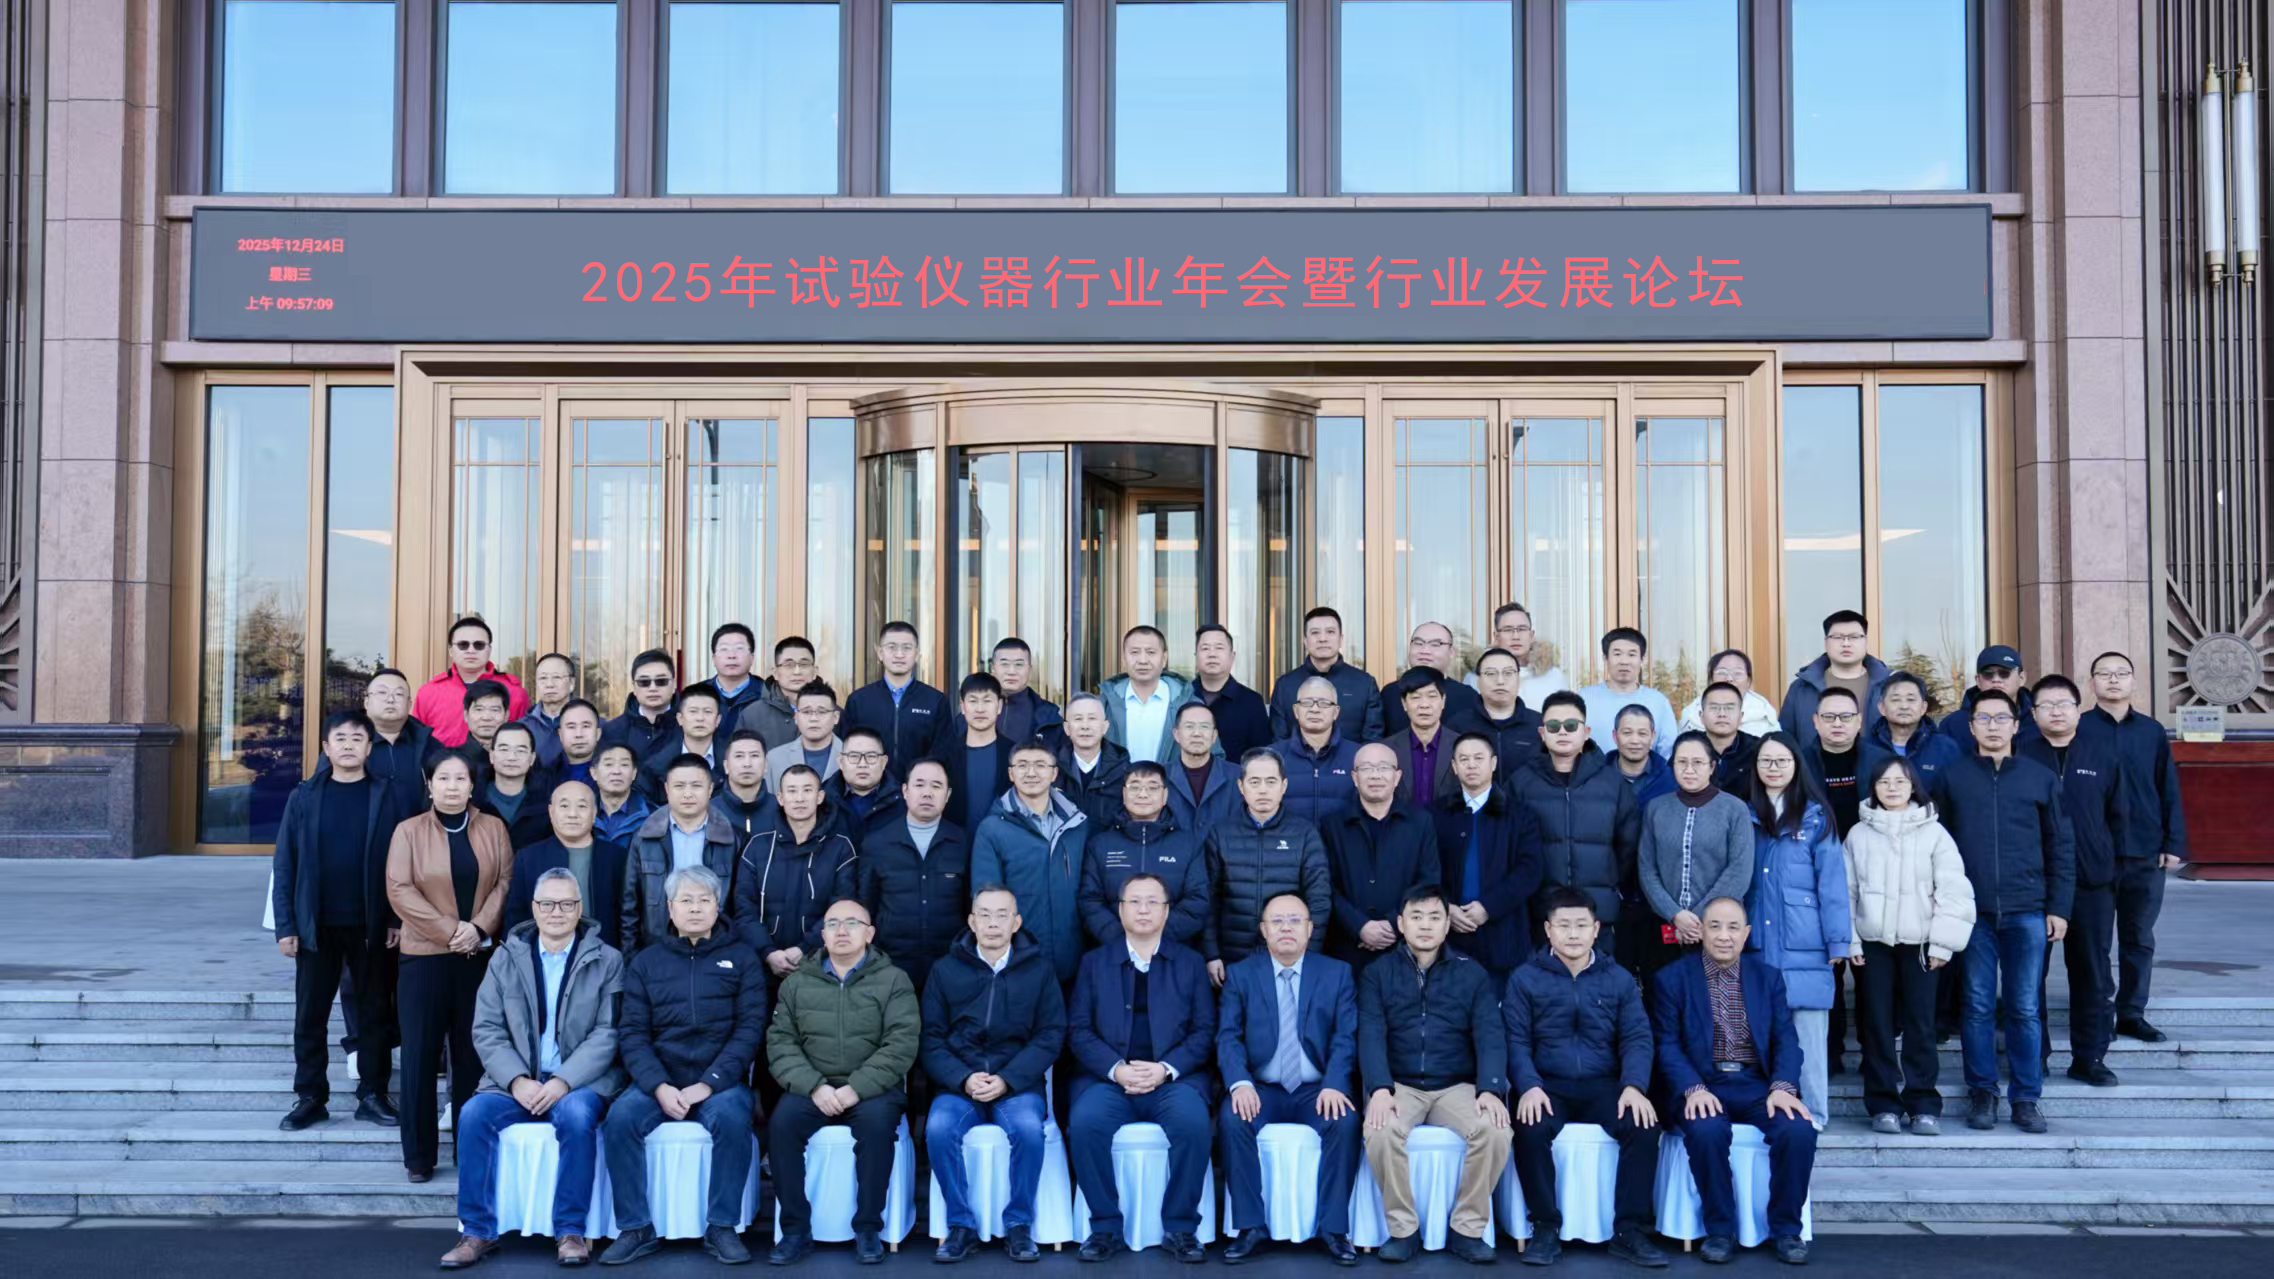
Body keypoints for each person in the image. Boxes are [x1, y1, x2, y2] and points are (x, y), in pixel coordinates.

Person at [443, 868, 625, 1269]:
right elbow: (487, 1028)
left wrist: (563, 1081)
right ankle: (477, 1231)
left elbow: (608, 1032)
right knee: (472, 1115)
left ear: (579, 908)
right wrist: (516, 1080)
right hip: (516, 1081)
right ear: (534, 908)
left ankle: (570, 1230)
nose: (556, 912)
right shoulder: (505, 958)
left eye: (566, 904)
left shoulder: (607, 960)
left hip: (578, 1082)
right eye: (547, 903)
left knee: (576, 1116)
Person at [599, 866, 766, 1267]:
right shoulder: (646, 962)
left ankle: (722, 1226)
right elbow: (632, 1034)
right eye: (686, 900)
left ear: (717, 906)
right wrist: (658, 1086)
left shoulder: (743, 958)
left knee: (733, 1120)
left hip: (719, 1082)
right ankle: (635, 1228)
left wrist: (708, 1084)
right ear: (670, 908)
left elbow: (750, 1030)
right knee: (619, 1120)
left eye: (704, 900)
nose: (695, 908)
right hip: (659, 1080)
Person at [1650, 898, 1817, 1267]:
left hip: (1757, 1084)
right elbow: (1666, 1044)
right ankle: (1719, 1230)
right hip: (1703, 1083)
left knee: (1798, 1130)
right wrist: (1693, 1088)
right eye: (1715, 926)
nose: (1724, 936)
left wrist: (1782, 1086)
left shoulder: (1767, 978)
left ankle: (1786, 1230)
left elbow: (1786, 1040)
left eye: (1732, 928)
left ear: (1746, 934)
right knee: (1706, 1130)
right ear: (1701, 931)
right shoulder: (1672, 979)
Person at [1503, 888, 1664, 1269]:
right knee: (1530, 1126)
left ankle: (1629, 1230)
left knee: (1643, 1125)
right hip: (1547, 1084)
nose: (1572, 934)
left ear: (1596, 929)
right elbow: (1514, 1039)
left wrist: (1634, 1086)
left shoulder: (1619, 979)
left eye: (1581, 925)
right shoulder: (1525, 978)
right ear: (1548, 930)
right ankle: (1545, 1226)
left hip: (1604, 1084)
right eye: (1563, 925)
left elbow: (1637, 1037)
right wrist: (1528, 1086)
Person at [1938, 688, 2074, 1133]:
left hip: (2028, 910)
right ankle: (1982, 1092)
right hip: (1972, 913)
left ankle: (2026, 1097)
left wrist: (2059, 907)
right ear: (1971, 726)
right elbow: (1936, 848)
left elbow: (2060, 845)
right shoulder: (1953, 778)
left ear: (2017, 726)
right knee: (1977, 1005)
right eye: (1984, 718)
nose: (1993, 726)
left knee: (2024, 1007)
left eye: (2002, 718)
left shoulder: (2039, 778)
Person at [1066, 873, 1218, 1263]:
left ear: (1167, 912)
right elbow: (1079, 1030)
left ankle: (1181, 1227)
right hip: (1110, 1081)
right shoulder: (1094, 963)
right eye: (1134, 902)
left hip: (1172, 1081)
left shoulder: (1190, 963)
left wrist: (1166, 1069)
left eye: (1153, 902)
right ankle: (1104, 1227)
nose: (1144, 910)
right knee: (1084, 1123)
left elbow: (1204, 1031)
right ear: (1120, 911)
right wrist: (1116, 1069)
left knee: (1194, 1124)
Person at [1357, 886, 1510, 1264]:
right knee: (1380, 1130)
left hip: (1456, 1086)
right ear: (1401, 923)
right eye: (1416, 917)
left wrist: (1490, 1089)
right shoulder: (1377, 973)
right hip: (1400, 1085)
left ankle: (1467, 1229)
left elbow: (1490, 1035)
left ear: (1446, 926)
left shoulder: (1472, 973)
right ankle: (1403, 1230)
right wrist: (1379, 1089)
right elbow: (1371, 1034)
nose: (1425, 926)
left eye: (1435, 917)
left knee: (1494, 1129)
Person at [766, 897, 922, 1267]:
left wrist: (856, 1088)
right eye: (833, 924)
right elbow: (781, 1043)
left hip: (872, 1088)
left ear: (869, 934)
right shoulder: (797, 983)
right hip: (814, 1086)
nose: (841, 931)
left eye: (852, 923)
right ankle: (795, 1231)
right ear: (821, 935)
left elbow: (901, 1044)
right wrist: (815, 1086)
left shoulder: (893, 980)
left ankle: (867, 1227)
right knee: (782, 1125)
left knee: (876, 1127)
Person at [273, 710, 406, 1132]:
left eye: (357, 738)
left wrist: (396, 918)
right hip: (316, 926)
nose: (348, 745)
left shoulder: (388, 795)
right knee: (310, 1015)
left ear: (369, 748)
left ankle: (373, 1093)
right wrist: (286, 925)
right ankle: (310, 1096)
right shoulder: (304, 797)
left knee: (374, 1013)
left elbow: (402, 863)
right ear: (326, 748)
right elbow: (285, 863)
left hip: (372, 925)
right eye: (340, 738)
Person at [385, 748, 513, 1182]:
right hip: (423, 959)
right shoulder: (408, 831)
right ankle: (419, 1157)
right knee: (419, 1057)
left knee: (471, 1057)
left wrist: (477, 929)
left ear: (473, 785)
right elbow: (399, 889)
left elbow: (504, 883)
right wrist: (449, 930)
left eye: (461, 778)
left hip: (478, 959)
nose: (452, 786)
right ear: (429, 784)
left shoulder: (493, 828)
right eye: (443, 778)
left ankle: (469, 1148)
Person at [924, 886, 1069, 1265]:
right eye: (984, 915)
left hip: (1017, 1085)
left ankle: (1019, 1224)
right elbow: (931, 1038)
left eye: (1002, 915)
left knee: (1028, 1130)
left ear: (1016, 922)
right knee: (938, 1128)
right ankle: (960, 1225)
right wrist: (963, 1078)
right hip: (960, 1085)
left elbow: (1051, 1034)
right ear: (971, 921)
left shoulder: (1039, 970)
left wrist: (1008, 1078)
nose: (992, 923)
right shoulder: (945, 970)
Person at [1216, 894, 1362, 1267]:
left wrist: (1334, 1083)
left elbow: (1345, 1037)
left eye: (1295, 921)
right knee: (1233, 1118)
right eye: (1277, 921)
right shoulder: (1242, 974)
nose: (1286, 928)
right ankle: (1250, 1226)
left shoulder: (1337, 973)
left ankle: (1333, 1228)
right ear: (1263, 930)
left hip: (1316, 1089)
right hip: (1262, 1088)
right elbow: (1228, 1036)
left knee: (1344, 1122)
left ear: (1310, 929)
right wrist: (1240, 1083)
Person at [1844, 756, 1974, 1136]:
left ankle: (1923, 1105)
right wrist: (1851, 939)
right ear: (1874, 788)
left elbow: (1953, 890)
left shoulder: (1934, 833)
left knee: (1921, 1025)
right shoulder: (1858, 834)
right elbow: (1846, 892)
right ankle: (1883, 1104)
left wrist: (1942, 944)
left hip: (1920, 944)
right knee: (1877, 1025)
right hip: (1873, 944)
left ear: (1913, 786)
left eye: (1900, 781)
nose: (1892, 788)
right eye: (1884, 782)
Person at [2021, 675, 2129, 1086]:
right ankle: (2035, 1054)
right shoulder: (2020, 754)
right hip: (2035, 883)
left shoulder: (2103, 753)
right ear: (2033, 714)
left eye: (2064, 704)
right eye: (2046, 705)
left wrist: (2110, 869)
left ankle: (2090, 1057)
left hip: (2091, 884)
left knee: (2092, 973)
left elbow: (2120, 817)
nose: (2056, 712)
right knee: (2030, 974)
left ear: (2078, 711)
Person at [2080, 650, 2189, 1043]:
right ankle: (2099, 1012)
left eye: (2121, 673)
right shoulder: (2079, 729)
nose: (2113, 679)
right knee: (2094, 941)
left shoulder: (2151, 731)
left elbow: (2168, 788)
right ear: (2091, 682)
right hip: (2094, 852)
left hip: (2145, 850)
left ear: (2133, 681)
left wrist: (2173, 841)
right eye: (2104, 673)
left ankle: (2131, 1012)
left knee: (2139, 937)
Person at [1744, 733, 1850, 1125]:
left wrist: (1838, 941)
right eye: (1766, 761)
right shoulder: (1744, 814)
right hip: (1756, 943)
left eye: (1782, 761)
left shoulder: (1816, 817)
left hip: (1805, 943)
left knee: (1808, 1036)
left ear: (1796, 766)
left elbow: (1833, 885)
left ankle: (1815, 1114)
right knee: (1759, 1036)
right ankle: (1768, 1112)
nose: (1773, 768)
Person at [1508, 691, 1642, 953]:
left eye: (1571, 725)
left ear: (1586, 732)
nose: (1562, 732)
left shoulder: (1612, 783)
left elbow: (1627, 847)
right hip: (1541, 916)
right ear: (1542, 733)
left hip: (1598, 917)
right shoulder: (1520, 783)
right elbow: (1511, 849)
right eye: (1553, 726)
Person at [971, 740, 1094, 985]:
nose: (1031, 772)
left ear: (1054, 773)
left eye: (1040, 765)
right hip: (1018, 961)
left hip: (1071, 958)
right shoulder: (992, 829)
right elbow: (985, 897)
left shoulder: (1076, 824)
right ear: (1011, 773)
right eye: (1022, 765)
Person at [1203, 749, 1333, 979]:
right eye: (1254, 782)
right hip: (1232, 958)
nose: (1263, 789)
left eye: (1271, 781)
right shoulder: (1221, 833)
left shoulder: (1304, 834)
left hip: (1289, 957)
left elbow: (1319, 900)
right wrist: (1211, 953)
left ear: (1283, 786)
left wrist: (1308, 953)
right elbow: (1208, 899)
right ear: (1241, 787)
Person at [1638, 732, 1755, 980]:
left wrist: (1700, 918)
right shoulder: (1656, 808)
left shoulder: (1735, 809)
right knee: (1664, 995)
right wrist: (1675, 914)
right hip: (1664, 928)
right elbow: (1647, 868)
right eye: (1681, 762)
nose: (1689, 770)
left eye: (1698, 762)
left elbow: (1739, 871)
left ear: (1712, 767)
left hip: (1718, 932)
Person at [1433, 732, 1543, 987]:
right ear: (1454, 766)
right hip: (1449, 934)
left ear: (1493, 763)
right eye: (1464, 759)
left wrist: (1489, 907)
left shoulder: (1520, 815)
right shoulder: (1435, 814)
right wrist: (1446, 907)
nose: (1471, 765)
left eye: (1478, 758)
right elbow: (1425, 868)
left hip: (1504, 934)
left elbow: (1530, 870)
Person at [732, 764, 859, 981]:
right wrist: (768, 953)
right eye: (792, 791)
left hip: (821, 966)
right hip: (762, 967)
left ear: (820, 797)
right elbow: (744, 909)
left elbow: (842, 908)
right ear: (780, 798)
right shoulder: (758, 847)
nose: (799, 798)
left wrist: (805, 949)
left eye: (807, 790)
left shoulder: (841, 848)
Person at [857, 757, 969, 994]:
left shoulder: (962, 842)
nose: (927, 793)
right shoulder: (877, 843)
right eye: (919, 785)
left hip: (951, 967)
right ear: (905, 791)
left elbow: (970, 906)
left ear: (947, 795)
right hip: (891, 968)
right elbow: (865, 906)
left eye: (936, 786)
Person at [1321, 743, 1436, 971]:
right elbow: (1325, 885)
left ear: (1397, 776)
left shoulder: (1420, 823)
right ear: (1355, 778)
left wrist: (1394, 923)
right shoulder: (1332, 825)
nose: (1375, 775)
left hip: (1403, 947)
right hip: (1345, 949)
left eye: (1384, 767)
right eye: (1366, 768)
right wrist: (1359, 926)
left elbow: (1428, 881)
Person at [620, 754, 740, 957]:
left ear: (710, 789)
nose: (688, 794)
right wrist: (631, 959)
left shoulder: (732, 838)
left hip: (716, 949)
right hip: (657, 948)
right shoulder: (644, 838)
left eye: (696, 786)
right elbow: (629, 907)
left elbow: (740, 905)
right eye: (679, 786)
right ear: (667, 790)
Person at [1080, 762, 1208, 947]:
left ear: (1165, 795)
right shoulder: (1100, 844)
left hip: (1172, 950)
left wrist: (1155, 940)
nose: (1143, 794)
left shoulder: (1189, 844)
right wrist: (1122, 941)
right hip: (1113, 950)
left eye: (1152, 787)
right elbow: (1090, 900)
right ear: (1124, 794)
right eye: (1135, 787)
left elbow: (1197, 900)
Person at [504, 779, 632, 951]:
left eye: (582, 806)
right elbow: (516, 919)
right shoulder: (528, 858)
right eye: (564, 806)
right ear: (551, 812)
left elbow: (629, 917)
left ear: (594, 813)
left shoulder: (617, 857)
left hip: (605, 956)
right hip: (545, 957)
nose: (573, 814)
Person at [845, 620, 949, 778]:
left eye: (907, 648)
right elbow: (848, 750)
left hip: (919, 789)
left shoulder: (935, 701)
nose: (899, 655)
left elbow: (942, 753)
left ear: (917, 654)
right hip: (870, 789)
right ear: (880, 653)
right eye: (892, 647)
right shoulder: (858, 701)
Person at [1269, 606, 1385, 744]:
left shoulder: (1365, 684)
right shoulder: (1285, 685)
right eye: (1315, 633)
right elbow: (1279, 743)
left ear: (1341, 639)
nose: (1323, 638)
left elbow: (1372, 743)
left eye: (1330, 632)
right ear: (1305, 641)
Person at [1780, 611, 1892, 751]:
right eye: (1838, 637)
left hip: (1878, 764)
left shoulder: (1888, 686)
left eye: (1854, 637)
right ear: (1826, 642)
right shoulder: (1802, 688)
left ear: (1866, 641)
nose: (1846, 643)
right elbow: (1785, 740)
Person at [414, 615, 531, 747]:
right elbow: (416, 742)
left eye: (479, 645)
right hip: (443, 760)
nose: (471, 651)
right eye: (463, 645)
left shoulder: (514, 692)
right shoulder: (428, 693)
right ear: (451, 651)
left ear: (489, 650)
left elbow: (524, 742)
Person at [1102, 624, 1198, 766]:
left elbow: (1211, 756)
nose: (1143, 660)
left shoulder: (1189, 704)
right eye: (1135, 652)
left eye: (1151, 652)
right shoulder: (1104, 704)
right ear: (1124, 658)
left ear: (1164, 658)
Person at [1273, 674, 1362, 827]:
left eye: (1324, 703)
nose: (1315, 709)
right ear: (1296, 711)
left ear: (1336, 712)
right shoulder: (1273, 757)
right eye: (1307, 703)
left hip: (1340, 842)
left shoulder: (1357, 756)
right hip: (1289, 841)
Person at [932, 673, 1014, 835]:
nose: (980, 709)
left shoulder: (1014, 754)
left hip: (1003, 844)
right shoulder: (943, 755)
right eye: (973, 701)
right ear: (963, 707)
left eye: (987, 701)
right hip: (954, 844)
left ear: (999, 706)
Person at [1801, 686, 1886, 841]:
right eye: (1828, 717)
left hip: (1870, 845)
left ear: (1859, 721)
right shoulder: (1799, 763)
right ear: (1816, 721)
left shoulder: (1882, 761)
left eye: (1846, 717)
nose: (1837, 723)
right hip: (1816, 845)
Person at [1577, 628, 1676, 759]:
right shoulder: (1583, 699)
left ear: (1642, 659)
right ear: (1605, 658)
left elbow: (1668, 754)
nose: (1624, 661)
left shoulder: (1658, 702)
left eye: (1631, 654)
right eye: (1617, 654)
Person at [1383, 622, 1490, 739]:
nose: (1425, 650)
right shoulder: (1389, 693)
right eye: (1418, 643)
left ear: (1451, 652)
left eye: (1435, 644)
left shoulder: (1468, 697)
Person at [351, 668, 435, 805]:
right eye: (382, 692)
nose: (390, 699)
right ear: (366, 702)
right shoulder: (347, 744)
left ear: (409, 704)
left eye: (399, 694)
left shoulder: (428, 745)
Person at [1192, 624, 1274, 760]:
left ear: (1232, 656)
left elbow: (1261, 756)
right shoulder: (1182, 697)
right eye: (1205, 648)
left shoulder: (1252, 702)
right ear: (1196, 656)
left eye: (1219, 648)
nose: (1212, 654)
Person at [1464, 602, 1569, 707]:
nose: (1515, 636)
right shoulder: (1476, 678)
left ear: (1531, 635)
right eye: (1508, 630)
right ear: (1496, 637)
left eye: (1522, 629)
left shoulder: (1554, 677)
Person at [1939, 645, 2041, 754]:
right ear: (1978, 680)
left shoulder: (2040, 721)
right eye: (1988, 674)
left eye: (2004, 673)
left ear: (2021, 678)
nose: (1996, 680)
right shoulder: (1954, 725)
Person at [1869, 672, 1962, 788]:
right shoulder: (1866, 748)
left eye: (1911, 699)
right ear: (1881, 707)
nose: (1904, 706)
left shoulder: (1945, 748)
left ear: (1923, 708)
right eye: (1896, 700)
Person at [634, 685, 725, 802]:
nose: (700, 718)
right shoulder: (656, 766)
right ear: (680, 719)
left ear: (717, 720)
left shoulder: (732, 762)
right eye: (693, 712)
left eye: (707, 712)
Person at [1054, 693, 1131, 825]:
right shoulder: (1052, 769)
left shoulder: (1123, 770)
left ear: (1105, 727)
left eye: (1092, 718)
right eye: (1078, 719)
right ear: (1067, 728)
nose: (1085, 726)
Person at [1386, 667, 1457, 809]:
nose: (1424, 705)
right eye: (1416, 697)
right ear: (1404, 703)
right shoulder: (1387, 750)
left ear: (1443, 701)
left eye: (1432, 696)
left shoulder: (1461, 748)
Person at [1470, 646, 1545, 780]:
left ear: (1518, 679)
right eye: (1491, 674)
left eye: (1508, 673)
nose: (1500, 681)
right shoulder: (1458, 726)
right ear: (1478, 681)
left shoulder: (1540, 725)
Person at [1164, 702, 1239, 834]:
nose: (1197, 733)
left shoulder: (1237, 777)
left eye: (1204, 726)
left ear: (1214, 736)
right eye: (1189, 726)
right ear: (1176, 734)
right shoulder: (1160, 776)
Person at [477, 721, 554, 850]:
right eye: (504, 749)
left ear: (532, 758)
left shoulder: (546, 801)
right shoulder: (473, 799)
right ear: (491, 756)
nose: (512, 757)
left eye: (520, 750)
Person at [977, 636, 1065, 748]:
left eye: (1019, 664)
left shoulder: (1049, 718)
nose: (1011, 671)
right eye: (1005, 664)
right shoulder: (973, 712)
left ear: (1029, 669)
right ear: (993, 668)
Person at [687, 622, 769, 738]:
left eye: (739, 648)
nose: (731, 655)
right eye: (724, 649)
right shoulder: (695, 695)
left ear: (752, 658)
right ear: (713, 658)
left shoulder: (768, 695)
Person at [744, 636, 821, 755]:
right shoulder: (752, 715)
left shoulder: (831, 714)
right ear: (775, 673)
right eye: (789, 665)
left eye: (804, 664)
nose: (797, 672)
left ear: (815, 671)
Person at [1678, 649, 1780, 738]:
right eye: (1722, 672)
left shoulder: (1764, 713)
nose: (1729, 679)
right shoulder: (1691, 714)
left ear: (1748, 681)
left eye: (1738, 673)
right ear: (1711, 680)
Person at [606, 649, 680, 765]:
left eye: (661, 681)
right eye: (644, 682)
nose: (652, 688)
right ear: (634, 687)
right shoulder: (613, 731)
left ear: (674, 684)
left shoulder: (689, 725)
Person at [828, 727, 905, 839]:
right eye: (854, 756)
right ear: (840, 761)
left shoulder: (903, 799)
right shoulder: (823, 799)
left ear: (884, 762)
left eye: (871, 756)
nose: (862, 764)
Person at [767, 680, 844, 792]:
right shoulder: (775, 758)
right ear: (796, 717)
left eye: (821, 712)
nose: (813, 718)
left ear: (836, 717)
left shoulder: (851, 756)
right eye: (806, 712)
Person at [710, 729, 780, 845]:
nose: (747, 764)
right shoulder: (710, 811)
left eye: (754, 755)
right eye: (739, 756)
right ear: (726, 766)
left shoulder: (781, 810)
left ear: (766, 765)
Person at [1696, 681, 1762, 797]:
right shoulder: (1689, 747)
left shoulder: (1758, 749)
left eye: (1729, 708)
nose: (1722, 714)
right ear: (1702, 716)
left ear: (1741, 717)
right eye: (1714, 708)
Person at [515, 652, 578, 771]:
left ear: (571, 683)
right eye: (543, 678)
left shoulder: (592, 725)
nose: (549, 684)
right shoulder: (521, 728)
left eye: (557, 677)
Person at [1609, 706, 1674, 808]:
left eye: (1642, 733)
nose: (1635, 741)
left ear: (1652, 737)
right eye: (1627, 733)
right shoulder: (1596, 777)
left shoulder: (1669, 780)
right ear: (1615, 736)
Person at [590, 742, 655, 845]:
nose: (616, 771)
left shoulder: (654, 816)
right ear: (594, 773)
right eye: (609, 764)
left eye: (624, 765)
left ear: (634, 773)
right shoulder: (582, 815)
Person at [459, 679, 513, 769]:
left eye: (495, 710)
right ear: (466, 715)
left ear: (506, 716)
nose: (486, 717)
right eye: (479, 709)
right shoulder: (455, 761)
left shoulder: (516, 759)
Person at [554, 698, 605, 789]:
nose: (579, 734)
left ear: (598, 733)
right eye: (571, 727)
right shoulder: (545, 777)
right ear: (560, 734)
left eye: (586, 726)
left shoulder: (611, 774)